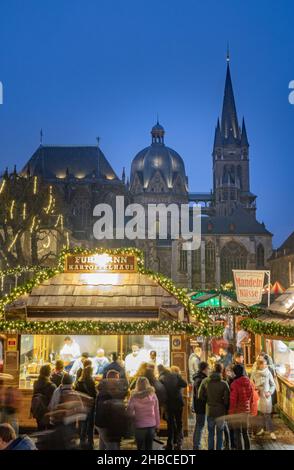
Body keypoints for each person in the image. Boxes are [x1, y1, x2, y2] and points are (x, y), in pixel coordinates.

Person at [199, 363, 230, 450]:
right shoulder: (224, 384)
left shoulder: (205, 381)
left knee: (211, 432)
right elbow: (227, 399)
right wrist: (224, 404)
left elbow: (199, 395)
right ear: (221, 371)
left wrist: (207, 399)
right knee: (220, 433)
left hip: (210, 410)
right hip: (221, 411)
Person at [48, 373, 84, 450]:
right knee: (68, 443)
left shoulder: (57, 391)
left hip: (58, 422)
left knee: (58, 443)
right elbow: (81, 408)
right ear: (71, 383)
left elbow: (52, 406)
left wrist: (52, 418)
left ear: (62, 382)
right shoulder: (74, 393)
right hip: (70, 422)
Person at [95, 370, 129, 450]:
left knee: (102, 445)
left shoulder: (103, 389)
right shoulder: (107, 391)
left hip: (101, 423)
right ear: (111, 379)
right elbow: (108, 410)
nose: (118, 381)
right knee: (112, 447)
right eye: (117, 378)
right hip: (106, 424)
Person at [158, 365, 187, 450]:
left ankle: (169, 444)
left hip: (169, 404)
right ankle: (179, 443)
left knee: (170, 424)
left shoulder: (161, 378)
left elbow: (161, 391)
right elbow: (184, 384)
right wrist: (177, 387)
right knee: (179, 423)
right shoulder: (176, 375)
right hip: (178, 402)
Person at [127, 376, 160, 451]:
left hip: (139, 426)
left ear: (137, 385)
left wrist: (135, 417)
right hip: (151, 426)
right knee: (149, 447)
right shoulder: (153, 395)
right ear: (147, 384)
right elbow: (156, 410)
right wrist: (157, 425)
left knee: (140, 447)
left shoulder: (133, 396)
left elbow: (129, 412)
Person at [229, 364, 254, 450]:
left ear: (235, 372)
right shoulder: (248, 382)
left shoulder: (234, 384)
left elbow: (233, 400)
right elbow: (250, 396)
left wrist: (231, 413)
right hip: (246, 411)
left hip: (237, 412)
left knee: (237, 433)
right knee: (245, 432)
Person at [250, 357, 276, 440]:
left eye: (265, 364)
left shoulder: (268, 373)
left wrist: (270, 392)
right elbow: (250, 384)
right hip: (258, 396)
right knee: (259, 415)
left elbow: (273, 385)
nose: (265, 366)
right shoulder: (254, 373)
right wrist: (255, 389)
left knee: (267, 415)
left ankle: (271, 432)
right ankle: (260, 430)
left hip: (266, 396)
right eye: (263, 364)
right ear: (259, 365)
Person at [74, 364, 97, 449]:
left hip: (81, 405)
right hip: (89, 405)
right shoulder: (90, 381)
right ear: (90, 372)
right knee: (90, 424)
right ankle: (90, 442)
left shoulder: (79, 381)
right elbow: (93, 394)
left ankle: (82, 441)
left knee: (82, 423)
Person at [31, 364, 56, 431]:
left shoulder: (35, 383)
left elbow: (34, 395)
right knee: (47, 430)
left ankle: (39, 440)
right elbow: (52, 402)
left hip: (37, 410)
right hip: (46, 412)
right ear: (49, 373)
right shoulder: (52, 386)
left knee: (39, 427)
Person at [192, 361, 209, 450]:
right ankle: (196, 446)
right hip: (201, 406)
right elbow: (201, 395)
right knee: (200, 425)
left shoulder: (197, 378)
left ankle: (196, 444)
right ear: (204, 369)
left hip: (198, 405)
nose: (209, 370)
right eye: (208, 368)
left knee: (199, 425)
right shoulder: (201, 380)